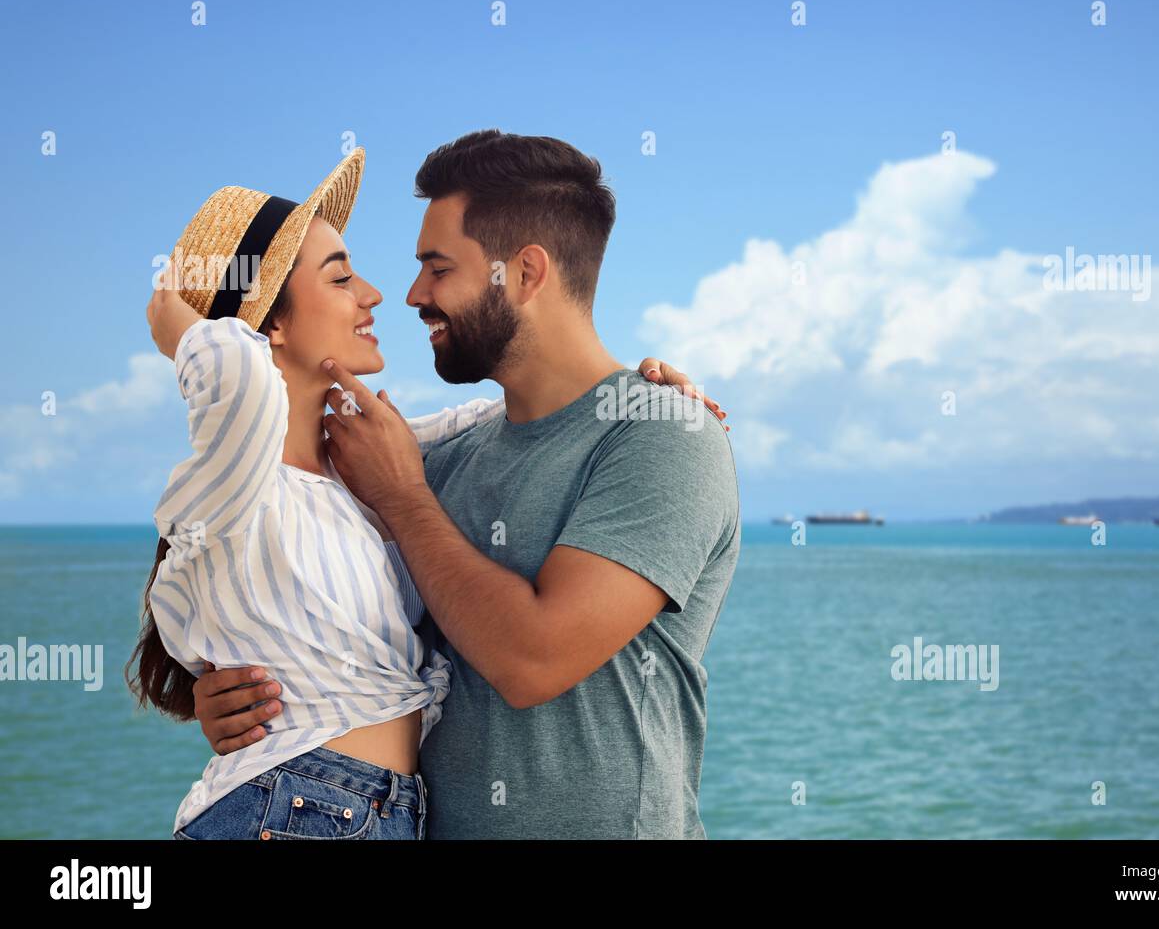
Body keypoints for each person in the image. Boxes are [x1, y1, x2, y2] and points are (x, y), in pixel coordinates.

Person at [127, 147, 719, 840]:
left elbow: (531, 658)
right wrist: (187, 333)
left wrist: (648, 396)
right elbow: (238, 391)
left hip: (365, 813)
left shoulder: (390, 471)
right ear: (270, 326)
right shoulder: (320, 472)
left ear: (524, 271)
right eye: (344, 277)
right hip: (309, 809)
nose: (396, 295)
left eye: (437, 268)